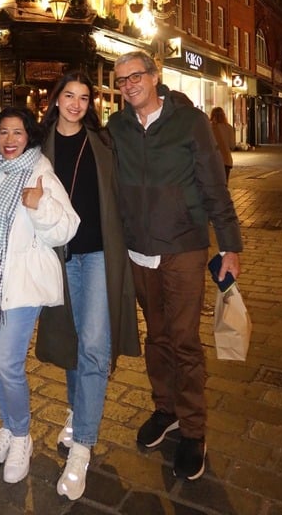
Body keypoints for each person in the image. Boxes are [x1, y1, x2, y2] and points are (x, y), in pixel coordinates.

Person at [107, 50, 243, 481]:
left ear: (154, 76)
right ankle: (165, 409)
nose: (129, 85)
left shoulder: (190, 122)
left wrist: (230, 245)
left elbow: (214, 186)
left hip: (183, 247)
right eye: (121, 80)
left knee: (184, 340)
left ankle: (193, 430)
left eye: (135, 76)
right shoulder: (117, 127)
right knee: (157, 336)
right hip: (139, 250)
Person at [0, 106, 79, 485]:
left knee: (8, 363)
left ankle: (21, 437)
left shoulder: (39, 171)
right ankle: (9, 428)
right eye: (3, 133)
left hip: (22, 285)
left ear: (29, 136)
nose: (9, 140)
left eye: (17, 133)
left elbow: (67, 227)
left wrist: (39, 205)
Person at [39, 71, 140, 500]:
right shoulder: (38, 144)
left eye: (84, 97)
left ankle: (82, 446)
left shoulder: (103, 142)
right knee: (71, 339)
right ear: (56, 99)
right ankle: (78, 411)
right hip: (58, 257)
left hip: (98, 253)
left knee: (95, 345)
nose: (76, 104)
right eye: (69, 95)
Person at [209, 106, 236, 181]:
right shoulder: (229, 128)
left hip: (212, 160)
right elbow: (232, 145)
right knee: (224, 183)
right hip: (226, 160)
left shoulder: (209, 127)